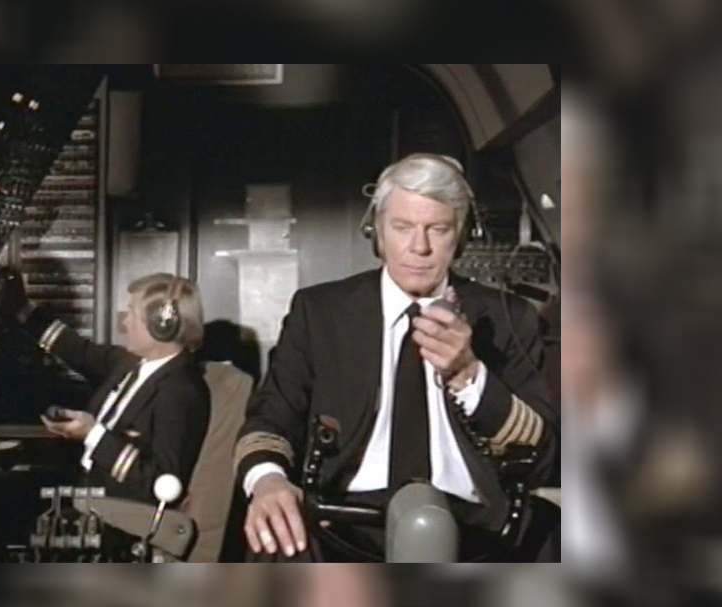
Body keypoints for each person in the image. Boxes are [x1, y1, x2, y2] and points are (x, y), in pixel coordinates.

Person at [236, 153, 558, 561]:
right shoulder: (320, 313)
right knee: (272, 544)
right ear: (377, 232)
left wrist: (469, 375)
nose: (419, 247)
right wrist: (268, 481)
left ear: (461, 236)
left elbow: (542, 456)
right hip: (343, 517)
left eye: (437, 229)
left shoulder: (508, 318)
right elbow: (270, 419)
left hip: (474, 522)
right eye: (402, 227)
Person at [0, 269, 209, 505]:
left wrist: (92, 434)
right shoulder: (129, 363)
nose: (125, 322)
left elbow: (158, 484)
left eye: (132, 313)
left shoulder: (180, 391)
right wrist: (24, 311)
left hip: (115, 511)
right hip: (82, 487)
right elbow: (77, 350)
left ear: (162, 325)